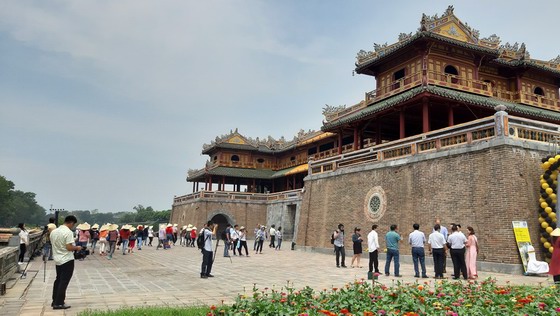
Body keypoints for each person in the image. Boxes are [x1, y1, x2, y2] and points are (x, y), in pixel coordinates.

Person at [50, 215, 82, 310]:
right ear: (71, 223)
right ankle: (59, 303)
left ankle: (54, 300)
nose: (73, 226)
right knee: (64, 282)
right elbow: (69, 247)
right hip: (67, 259)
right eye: (73, 225)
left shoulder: (54, 232)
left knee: (58, 280)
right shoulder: (68, 232)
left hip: (57, 259)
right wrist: (77, 248)